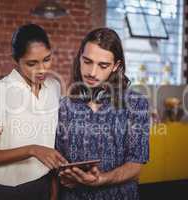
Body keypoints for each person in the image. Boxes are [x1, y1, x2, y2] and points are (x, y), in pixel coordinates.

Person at [0, 24, 67, 200]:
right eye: (32, 63)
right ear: (15, 60)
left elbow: (51, 143)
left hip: (45, 184)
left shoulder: (53, 87)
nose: (42, 69)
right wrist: (32, 150)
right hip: (8, 191)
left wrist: (54, 190)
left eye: (47, 59)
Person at [55, 28, 150, 200]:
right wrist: (66, 176)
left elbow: (136, 164)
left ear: (116, 66)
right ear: (79, 59)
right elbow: (58, 159)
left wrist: (101, 180)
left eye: (103, 65)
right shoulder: (63, 106)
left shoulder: (136, 103)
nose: (92, 72)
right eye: (87, 61)